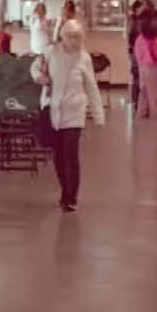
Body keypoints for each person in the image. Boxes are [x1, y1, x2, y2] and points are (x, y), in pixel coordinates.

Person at [32, 18, 105, 212]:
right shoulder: (50, 53)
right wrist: (40, 77)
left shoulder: (84, 58)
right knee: (59, 156)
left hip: (75, 113)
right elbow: (34, 68)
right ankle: (65, 191)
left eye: (77, 37)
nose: (74, 41)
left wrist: (98, 115)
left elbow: (91, 87)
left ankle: (72, 197)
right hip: (54, 111)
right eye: (70, 36)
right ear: (62, 36)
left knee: (70, 154)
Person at [131, 10, 157, 119]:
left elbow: (136, 53)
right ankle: (154, 111)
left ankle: (141, 111)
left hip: (142, 67)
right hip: (152, 66)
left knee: (143, 89)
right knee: (153, 90)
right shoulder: (153, 39)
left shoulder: (139, 39)